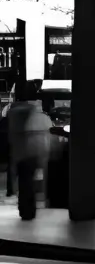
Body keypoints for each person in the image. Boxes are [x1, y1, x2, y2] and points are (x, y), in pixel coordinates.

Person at [7, 81, 52, 220]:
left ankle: (25, 208)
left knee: (23, 180)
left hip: (18, 151)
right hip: (32, 151)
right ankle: (28, 209)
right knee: (30, 180)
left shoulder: (12, 111)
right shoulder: (33, 110)